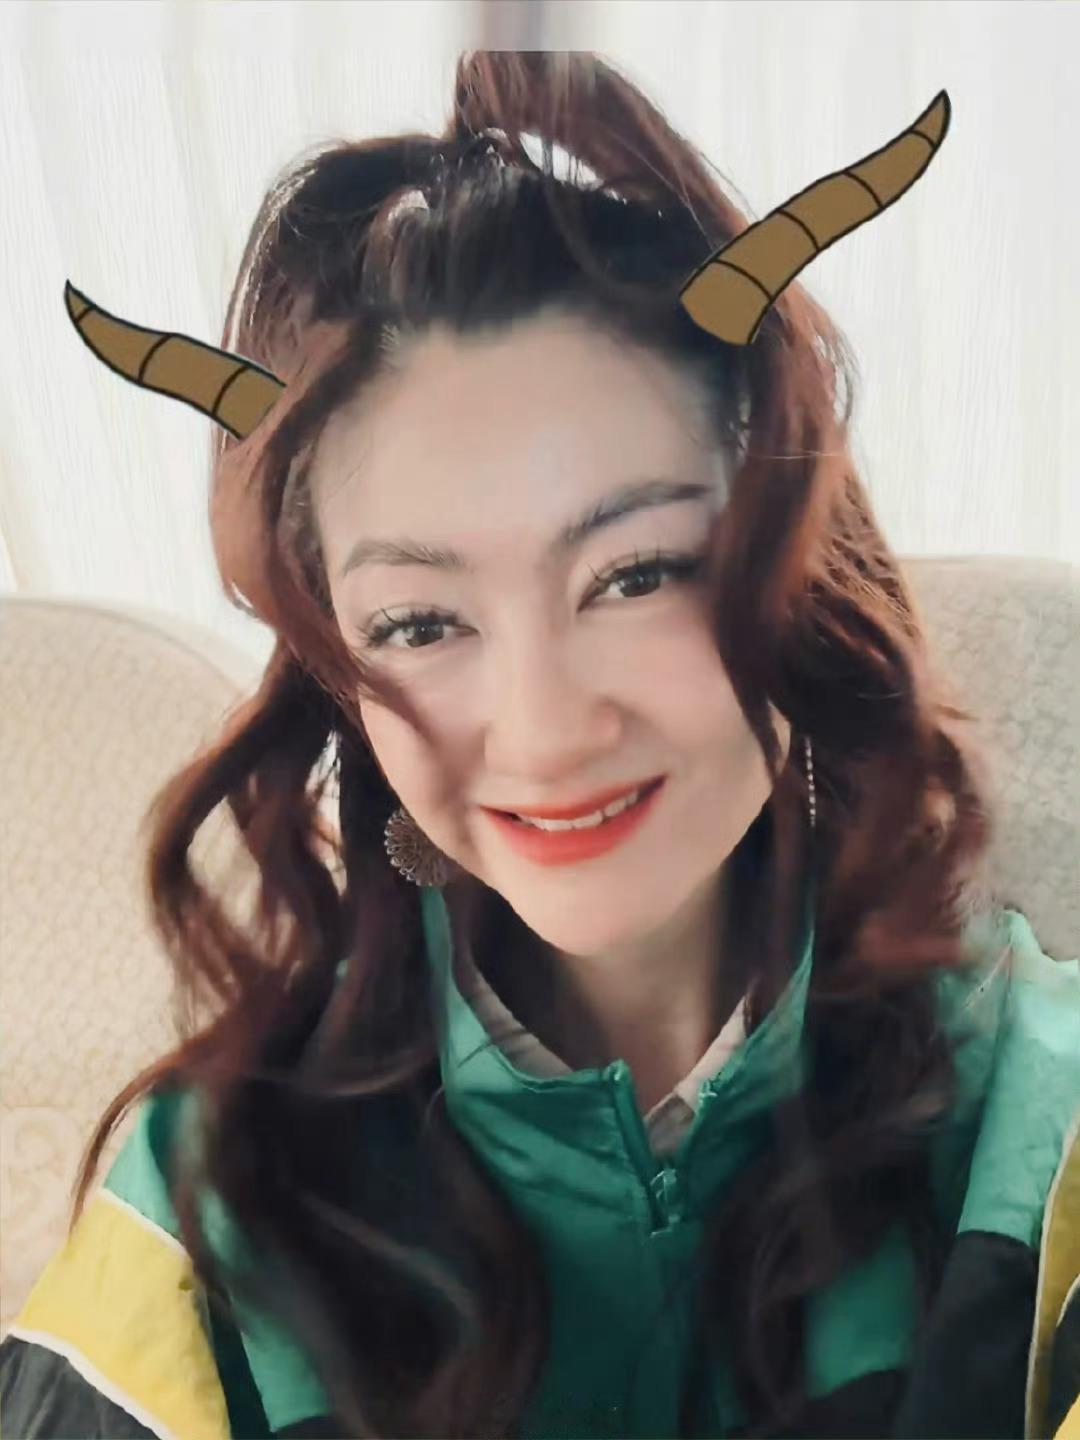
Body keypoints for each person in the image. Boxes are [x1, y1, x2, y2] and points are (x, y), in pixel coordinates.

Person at [2, 50, 1078, 1440]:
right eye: (419, 621)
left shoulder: (1038, 1131)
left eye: (636, 574)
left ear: (791, 575)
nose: (548, 729)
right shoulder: (212, 1202)